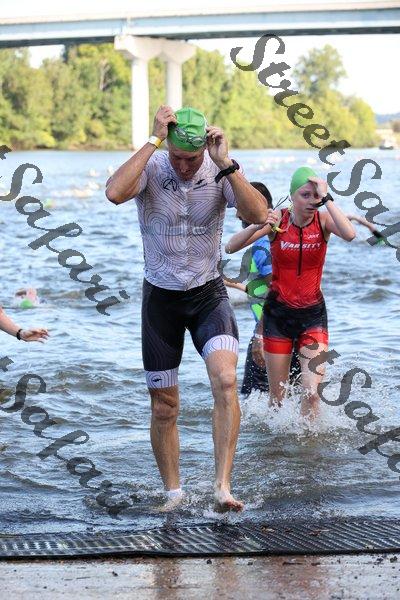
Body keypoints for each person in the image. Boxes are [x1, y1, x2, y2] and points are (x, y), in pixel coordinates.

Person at [105, 105, 268, 511]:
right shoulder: (153, 164)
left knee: (226, 380)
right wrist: (153, 139)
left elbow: (257, 215)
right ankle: (174, 494)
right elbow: (114, 193)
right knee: (165, 406)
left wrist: (225, 163)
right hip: (160, 299)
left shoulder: (219, 169)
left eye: (190, 159)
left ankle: (222, 487)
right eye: (176, 157)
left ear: (203, 150)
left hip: (207, 294)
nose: (182, 166)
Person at [224, 166, 356, 419]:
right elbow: (231, 247)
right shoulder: (279, 222)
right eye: (305, 195)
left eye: (316, 196)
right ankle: (278, 442)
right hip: (278, 317)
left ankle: (309, 443)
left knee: (312, 393)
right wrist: (258, 225)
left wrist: (327, 198)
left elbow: (350, 234)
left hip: (313, 316)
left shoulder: (323, 221)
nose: (312, 201)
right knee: (277, 399)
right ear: (292, 196)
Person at [225, 182, 300, 396]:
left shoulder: (263, 245)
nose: (237, 214)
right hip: (296, 329)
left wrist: (259, 335)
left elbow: (277, 291)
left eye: (241, 207)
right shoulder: (284, 234)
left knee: (254, 399)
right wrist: (228, 282)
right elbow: (271, 288)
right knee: (292, 397)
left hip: (271, 332)